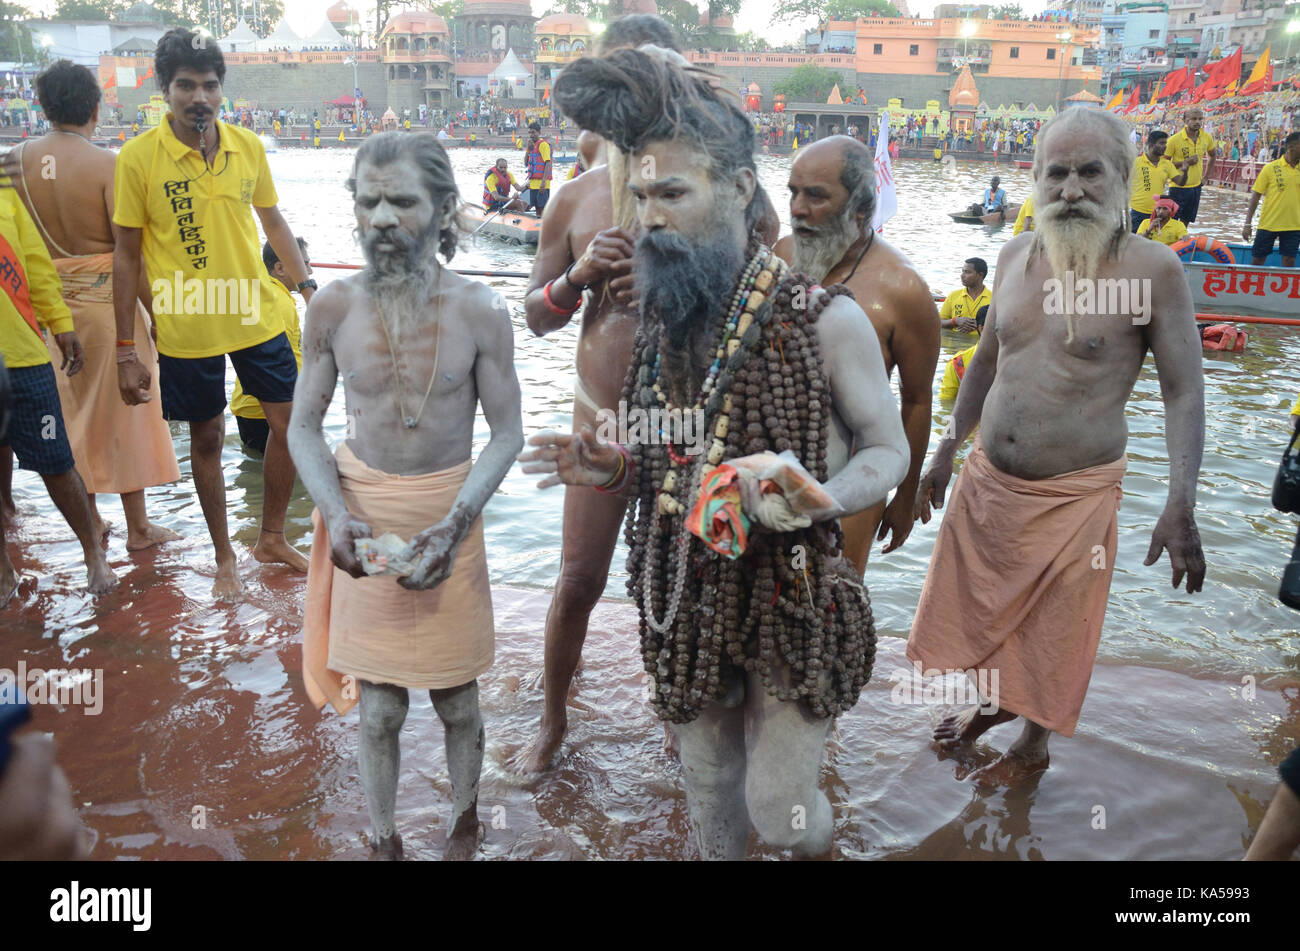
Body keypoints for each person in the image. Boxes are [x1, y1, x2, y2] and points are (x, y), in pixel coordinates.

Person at [525, 47, 909, 859]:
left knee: (782, 815)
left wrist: (821, 495)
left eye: (673, 193)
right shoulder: (660, 328)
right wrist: (615, 470)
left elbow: (890, 448)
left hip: (791, 597)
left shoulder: (823, 321)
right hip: (684, 599)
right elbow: (662, 464)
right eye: (640, 195)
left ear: (739, 191)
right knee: (710, 802)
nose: (649, 217)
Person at [910, 107, 1206, 787]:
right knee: (985, 614)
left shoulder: (1152, 269)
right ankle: (992, 707)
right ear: (1035, 181)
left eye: (1090, 172)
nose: (1071, 189)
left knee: (1053, 630)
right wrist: (947, 448)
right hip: (990, 482)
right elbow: (984, 364)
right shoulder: (1014, 256)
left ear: (1123, 178)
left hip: (1074, 495)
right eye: (1057, 173)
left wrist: (1180, 501)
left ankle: (1033, 745)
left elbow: (1183, 391)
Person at [290, 133, 523, 861]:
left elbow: (508, 433)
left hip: (454, 511)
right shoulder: (331, 308)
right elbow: (303, 427)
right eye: (368, 201)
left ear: (445, 208)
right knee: (381, 706)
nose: (382, 217)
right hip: (360, 518)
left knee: (458, 699)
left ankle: (463, 823)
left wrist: (456, 524)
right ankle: (384, 840)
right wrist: (334, 514)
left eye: (402, 201)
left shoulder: (481, 310)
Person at [507, 13, 681, 775]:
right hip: (600, 413)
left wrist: (673, 278)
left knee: (686, 574)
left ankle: (681, 713)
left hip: (690, 417)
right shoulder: (574, 199)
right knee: (579, 578)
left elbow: (763, 292)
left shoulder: (720, 186)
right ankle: (552, 721)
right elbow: (536, 319)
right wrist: (576, 280)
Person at [112, 29, 316, 599]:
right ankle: (225, 554)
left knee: (291, 427)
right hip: (185, 325)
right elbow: (126, 257)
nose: (198, 96)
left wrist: (308, 289)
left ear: (221, 89)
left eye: (208, 85)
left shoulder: (247, 147)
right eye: (185, 85)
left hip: (255, 315)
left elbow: (273, 221)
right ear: (164, 89)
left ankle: (270, 537)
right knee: (206, 439)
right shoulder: (136, 159)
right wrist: (126, 349)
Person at [4, 60, 179, 550]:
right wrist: (157, 314)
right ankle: (139, 528)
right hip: (108, 307)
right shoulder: (109, 164)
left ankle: (90, 524)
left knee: (67, 415)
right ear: (96, 107)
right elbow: (131, 256)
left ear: (42, 105)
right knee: (125, 413)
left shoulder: (10, 163)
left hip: (44, 310)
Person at [774, 134, 938, 570]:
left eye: (816, 196)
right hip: (769, 468)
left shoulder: (902, 289)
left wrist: (905, 497)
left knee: (832, 607)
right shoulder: (783, 256)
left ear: (861, 209)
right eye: (792, 192)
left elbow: (918, 400)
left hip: (854, 477)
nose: (797, 209)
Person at [0, 186, 116, 601]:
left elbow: (36, 266)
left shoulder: (5, 193)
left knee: (56, 461)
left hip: (23, 357)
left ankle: (92, 552)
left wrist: (61, 321)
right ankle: (3, 569)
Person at [231, 238, 311, 454]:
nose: (310, 272)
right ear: (280, 268)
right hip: (267, 412)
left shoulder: (269, 294)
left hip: (254, 411)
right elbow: (273, 364)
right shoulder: (279, 303)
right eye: (305, 264)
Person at [1242, 130, 1300, 268]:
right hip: (1268, 223)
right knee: (1258, 260)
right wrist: (1247, 224)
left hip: (1294, 225)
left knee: (1289, 262)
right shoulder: (1270, 168)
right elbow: (1256, 195)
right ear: (1292, 147)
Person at [1163, 107, 1217, 225]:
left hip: (1196, 187)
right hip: (1177, 188)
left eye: (1200, 119)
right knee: (1170, 222)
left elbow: (1212, 156)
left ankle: (1181, 243)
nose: (1197, 122)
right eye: (1193, 119)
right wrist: (1185, 163)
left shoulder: (1207, 137)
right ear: (1185, 120)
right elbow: (1163, 164)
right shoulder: (1174, 140)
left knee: (1186, 221)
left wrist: (1206, 177)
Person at [1130, 130, 1188, 233]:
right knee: (1134, 244)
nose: (1165, 146)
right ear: (1151, 144)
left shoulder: (1167, 164)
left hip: (1158, 213)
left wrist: (1185, 172)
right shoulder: (1136, 162)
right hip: (1138, 212)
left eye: (1166, 143)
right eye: (1161, 143)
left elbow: (1180, 182)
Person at [938, 305, 986, 401]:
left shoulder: (1016, 361)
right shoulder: (958, 363)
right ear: (981, 329)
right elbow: (946, 403)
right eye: (997, 328)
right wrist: (954, 321)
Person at [938, 258, 990, 334]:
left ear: (980, 275)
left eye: (967, 272)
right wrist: (955, 321)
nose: (962, 275)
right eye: (962, 271)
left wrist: (980, 325)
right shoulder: (954, 295)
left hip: (980, 344)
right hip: (955, 342)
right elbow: (938, 323)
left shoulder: (993, 298)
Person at [524, 121, 552, 215]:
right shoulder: (531, 146)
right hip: (533, 184)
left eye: (533, 132)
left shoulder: (543, 145)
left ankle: (544, 226)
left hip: (542, 183)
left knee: (543, 208)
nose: (531, 135)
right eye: (530, 133)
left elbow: (547, 163)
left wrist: (543, 183)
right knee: (537, 208)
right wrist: (528, 150)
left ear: (539, 132)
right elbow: (525, 163)